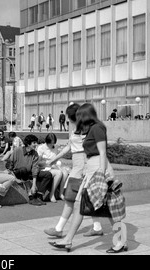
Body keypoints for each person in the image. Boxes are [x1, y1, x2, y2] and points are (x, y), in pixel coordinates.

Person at [49, 103, 126, 254]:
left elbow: (102, 152)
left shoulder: (97, 128)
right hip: (92, 167)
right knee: (79, 204)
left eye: (79, 116)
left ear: (84, 115)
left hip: (98, 167)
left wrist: (102, 174)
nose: (77, 119)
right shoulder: (92, 128)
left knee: (109, 208)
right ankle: (68, 240)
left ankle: (121, 241)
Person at [43, 104, 105, 239]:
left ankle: (60, 229)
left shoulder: (88, 130)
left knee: (72, 199)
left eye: (70, 118)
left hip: (82, 167)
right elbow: (69, 147)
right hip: (78, 166)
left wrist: (87, 170)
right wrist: (55, 159)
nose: (69, 120)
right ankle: (97, 227)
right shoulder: (77, 129)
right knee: (85, 199)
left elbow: (89, 149)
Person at [7, 135, 53, 206]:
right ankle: (31, 197)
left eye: (36, 143)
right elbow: (9, 164)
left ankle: (39, 196)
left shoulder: (35, 154)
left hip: (29, 173)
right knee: (23, 169)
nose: (36, 144)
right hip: (19, 172)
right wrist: (12, 176)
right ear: (28, 144)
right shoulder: (17, 150)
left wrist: (34, 185)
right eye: (34, 143)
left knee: (48, 174)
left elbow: (35, 169)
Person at [37, 133, 69, 203]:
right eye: (50, 143)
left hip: (53, 166)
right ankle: (52, 194)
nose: (52, 145)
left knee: (65, 172)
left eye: (53, 143)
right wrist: (47, 163)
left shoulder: (55, 147)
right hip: (44, 167)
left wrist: (57, 165)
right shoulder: (41, 148)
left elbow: (56, 160)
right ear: (47, 142)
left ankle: (61, 193)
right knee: (59, 173)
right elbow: (38, 163)